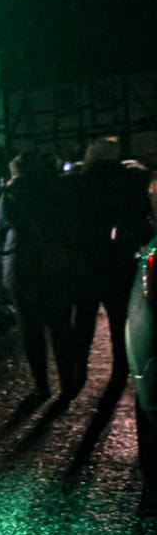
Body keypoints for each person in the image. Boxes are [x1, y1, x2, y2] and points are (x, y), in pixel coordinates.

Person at [0, 150, 84, 400]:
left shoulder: (12, 192)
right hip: (57, 265)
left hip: (23, 266)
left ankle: (42, 387)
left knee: (31, 330)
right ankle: (68, 383)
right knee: (61, 326)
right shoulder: (61, 189)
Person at [69, 138, 154, 383]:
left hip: (87, 260)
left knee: (84, 320)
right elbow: (143, 220)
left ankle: (78, 371)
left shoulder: (79, 183)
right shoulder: (130, 180)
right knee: (119, 320)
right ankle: (121, 370)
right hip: (120, 260)